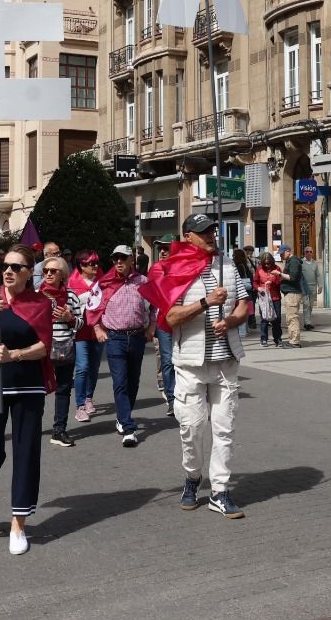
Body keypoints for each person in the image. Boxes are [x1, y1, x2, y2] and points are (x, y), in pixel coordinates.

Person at [145, 214, 251, 518]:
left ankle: (220, 490)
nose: (210, 236)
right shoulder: (174, 268)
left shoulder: (227, 264)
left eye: (212, 231)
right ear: (188, 236)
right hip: (190, 362)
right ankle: (192, 477)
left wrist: (231, 321)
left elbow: (244, 304)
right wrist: (206, 302)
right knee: (191, 428)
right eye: (203, 232)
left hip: (226, 361)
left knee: (224, 428)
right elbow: (170, 318)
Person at [0, 245, 55, 555]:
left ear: (29, 273)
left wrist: (15, 354)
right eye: (5, 265)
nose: (8, 271)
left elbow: (44, 347)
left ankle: (19, 523)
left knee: (26, 452)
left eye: (16, 267)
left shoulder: (41, 303)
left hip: (28, 385)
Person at [92, 244, 157, 446]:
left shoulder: (143, 281)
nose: (118, 261)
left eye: (123, 258)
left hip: (137, 337)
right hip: (115, 338)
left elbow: (155, 306)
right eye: (115, 258)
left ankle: (122, 416)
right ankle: (129, 428)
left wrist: (152, 327)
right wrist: (97, 329)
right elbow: (92, 307)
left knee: (133, 381)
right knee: (120, 382)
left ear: (131, 260)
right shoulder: (104, 283)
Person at [38, 257, 84, 447]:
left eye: (53, 271)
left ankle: (59, 430)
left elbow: (81, 323)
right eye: (46, 270)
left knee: (63, 389)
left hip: (64, 348)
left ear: (62, 274)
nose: (48, 274)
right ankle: (33, 426)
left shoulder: (71, 296)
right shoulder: (36, 295)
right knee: (38, 389)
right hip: (40, 349)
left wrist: (69, 318)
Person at [74, 251, 112, 424]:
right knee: (82, 367)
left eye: (97, 263)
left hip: (99, 331)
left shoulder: (102, 282)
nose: (96, 266)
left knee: (94, 367)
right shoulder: (72, 283)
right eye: (91, 263)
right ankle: (80, 405)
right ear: (82, 266)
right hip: (80, 333)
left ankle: (88, 397)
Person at [252, 252, 282, 348]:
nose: (267, 265)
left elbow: (280, 281)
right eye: (265, 263)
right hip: (264, 298)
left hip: (275, 297)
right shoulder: (259, 269)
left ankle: (277, 338)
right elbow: (255, 282)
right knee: (264, 319)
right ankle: (264, 338)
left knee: (276, 319)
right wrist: (258, 288)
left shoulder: (277, 268)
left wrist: (272, 282)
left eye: (268, 263)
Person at [279, 245, 304, 348]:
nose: (281, 256)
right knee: (290, 318)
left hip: (292, 293)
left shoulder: (293, 262)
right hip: (290, 293)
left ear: (288, 251)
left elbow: (292, 277)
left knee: (292, 318)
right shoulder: (290, 261)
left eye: (282, 254)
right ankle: (292, 340)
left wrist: (279, 274)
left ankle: (294, 342)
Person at [299, 246, 320, 330]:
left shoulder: (315, 263)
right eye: (307, 251)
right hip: (304, 287)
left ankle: (308, 321)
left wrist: (320, 286)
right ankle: (307, 322)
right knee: (306, 304)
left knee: (310, 305)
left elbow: (318, 275)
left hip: (313, 286)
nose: (309, 253)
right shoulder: (301, 262)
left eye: (310, 252)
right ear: (304, 253)